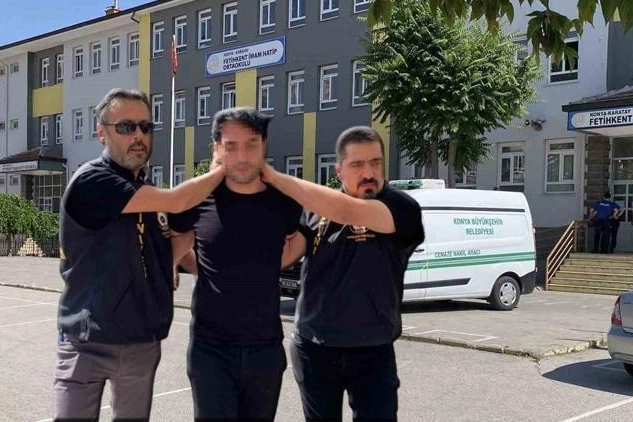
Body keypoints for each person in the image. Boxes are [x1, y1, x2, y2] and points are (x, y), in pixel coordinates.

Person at [54, 88, 224, 420]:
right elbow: (178, 200)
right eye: (126, 127)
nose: (138, 136)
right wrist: (221, 169)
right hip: (86, 341)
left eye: (145, 127)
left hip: (140, 342)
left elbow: (172, 243)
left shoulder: (148, 192)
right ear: (101, 132)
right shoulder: (92, 181)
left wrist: (185, 255)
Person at [261, 126, 424, 420]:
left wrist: (274, 177)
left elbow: (347, 211)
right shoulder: (314, 211)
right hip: (315, 347)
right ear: (339, 171)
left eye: (375, 162)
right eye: (357, 164)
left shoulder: (401, 207)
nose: (369, 173)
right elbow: (283, 256)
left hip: (373, 349)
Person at [170, 107, 302, 421]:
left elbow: (296, 242)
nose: (242, 156)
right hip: (210, 350)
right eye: (231, 145)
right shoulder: (197, 198)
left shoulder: (284, 201)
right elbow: (176, 240)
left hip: (265, 349)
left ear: (264, 145)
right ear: (217, 148)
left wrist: (267, 267)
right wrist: (200, 267)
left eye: (251, 144)